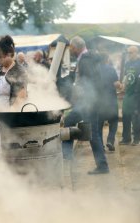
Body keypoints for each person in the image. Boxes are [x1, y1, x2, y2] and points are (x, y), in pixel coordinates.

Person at [62, 36, 109, 174]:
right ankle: (101, 166)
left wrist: (77, 95)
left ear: (76, 47)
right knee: (91, 133)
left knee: (72, 123)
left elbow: (88, 82)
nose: (71, 50)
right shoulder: (88, 56)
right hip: (90, 101)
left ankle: (67, 157)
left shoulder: (85, 59)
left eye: (72, 48)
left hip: (89, 102)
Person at [0, 35, 28, 150]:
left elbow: (21, 96)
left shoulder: (19, 71)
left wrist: (9, 116)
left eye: (0, 58)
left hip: (10, 117)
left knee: (10, 148)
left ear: (9, 54)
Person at [120, 46, 140, 146]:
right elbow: (126, 76)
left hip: (137, 93)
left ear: (136, 52)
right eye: (128, 53)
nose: (129, 54)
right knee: (125, 115)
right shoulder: (127, 63)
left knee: (136, 117)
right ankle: (126, 138)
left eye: (130, 53)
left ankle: (137, 138)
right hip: (128, 93)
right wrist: (123, 85)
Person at [98, 53, 121, 152]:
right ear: (107, 59)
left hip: (98, 101)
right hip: (111, 100)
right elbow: (116, 84)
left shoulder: (95, 70)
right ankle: (110, 141)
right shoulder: (111, 69)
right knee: (114, 121)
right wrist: (120, 85)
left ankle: (100, 146)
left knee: (99, 124)